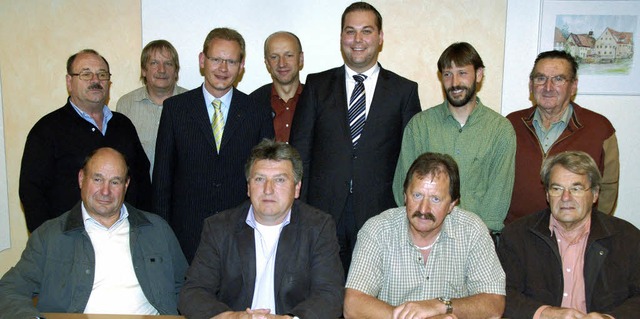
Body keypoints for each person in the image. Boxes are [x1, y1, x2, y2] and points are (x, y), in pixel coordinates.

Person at [290, 1, 421, 274]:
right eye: (350, 31)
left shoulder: (404, 91)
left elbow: (412, 160)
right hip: (322, 212)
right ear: (341, 37)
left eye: (367, 31)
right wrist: (299, 207)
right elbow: (300, 151)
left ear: (380, 37)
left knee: (371, 299)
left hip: (381, 213)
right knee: (325, 294)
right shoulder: (316, 86)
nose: (358, 40)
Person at [0, 147, 188, 317]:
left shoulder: (157, 230)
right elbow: (9, 290)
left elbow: (189, 288)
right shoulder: (49, 236)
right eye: (97, 179)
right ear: (81, 179)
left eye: (115, 182)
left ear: (126, 185)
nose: (105, 191)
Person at [178, 139, 344, 319]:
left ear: (297, 188)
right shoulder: (219, 227)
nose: (268, 189)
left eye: (279, 180)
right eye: (259, 179)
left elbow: (330, 294)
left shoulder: (318, 227)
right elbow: (193, 292)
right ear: (248, 187)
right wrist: (233, 317)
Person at [153, 28, 274, 262]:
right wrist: (162, 235)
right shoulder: (175, 109)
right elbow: (162, 178)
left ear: (241, 66)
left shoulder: (256, 112)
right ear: (202, 60)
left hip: (242, 234)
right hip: (185, 236)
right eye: (216, 59)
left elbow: (264, 176)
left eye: (230, 61)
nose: (222, 68)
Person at [344, 152, 505, 319]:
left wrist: (440, 305)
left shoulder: (472, 231)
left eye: (435, 199)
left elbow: (494, 303)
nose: (423, 209)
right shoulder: (378, 230)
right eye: (417, 195)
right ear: (405, 195)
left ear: (452, 204)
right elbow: (353, 305)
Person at [19, 49, 152, 233]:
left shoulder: (123, 125)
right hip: (71, 242)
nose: (95, 81)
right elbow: (32, 192)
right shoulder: (47, 130)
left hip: (125, 236)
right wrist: (47, 243)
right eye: (86, 74)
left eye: (102, 74)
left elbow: (142, 179)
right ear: (69, 82)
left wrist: (145, 230)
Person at [392, 42, 515, 235]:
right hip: (424, 237)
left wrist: (468, 239)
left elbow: (497, 201)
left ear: (479, 74)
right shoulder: (420, 126)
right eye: (448, 74)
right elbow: (404, 190)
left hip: (478, 240)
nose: (455, 82)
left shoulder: (500, 130)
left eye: (462, 73)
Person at [498, 151, 639, 318]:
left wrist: (610, 318)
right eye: (557, 188)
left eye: (576, 188)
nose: (566, 197)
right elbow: (501, 294)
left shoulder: (627, 238)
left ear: (594, 194)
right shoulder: (517, 236)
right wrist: (545, 314)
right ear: (547, 195)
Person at [505, 50, 619, 225]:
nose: (548, 87)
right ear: (531, 85)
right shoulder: (510, 125)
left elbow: (608, 187)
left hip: (575, 237)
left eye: (558, 79)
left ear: (573, 86)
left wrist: (591, 229)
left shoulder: (599, 129)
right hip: (518, 236)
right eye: (540, 78)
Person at [116, 39, 188, 175]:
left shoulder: (193, 104)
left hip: (180, 193)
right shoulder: (126, 105)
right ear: (144, 70)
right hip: (139, 193)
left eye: (168, 63)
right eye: (154, 63)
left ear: (176, 71)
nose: (162, 70)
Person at [250, 31, 304, 143]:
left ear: (301, 59)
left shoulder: (319, 101)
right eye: (274, 57)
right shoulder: (252, 104)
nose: (282, 64)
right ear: (267, 63)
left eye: (289, 55)